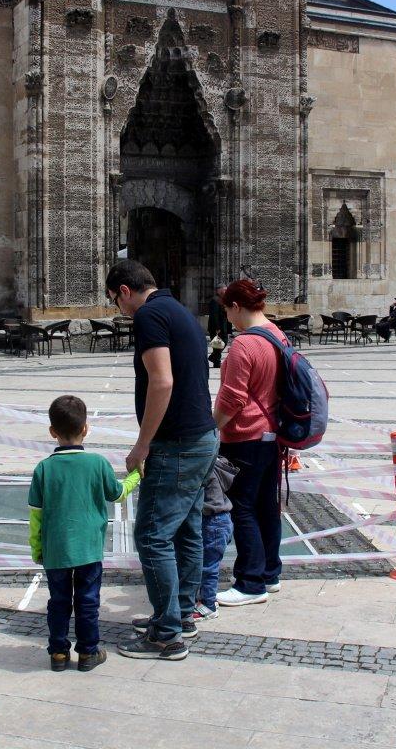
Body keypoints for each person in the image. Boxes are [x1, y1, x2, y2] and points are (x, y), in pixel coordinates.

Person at [106, 259, 218, 661]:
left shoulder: (149, 315)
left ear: (123, 291)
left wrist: (142, 443)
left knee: (152, 536)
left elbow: (163, 379)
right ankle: (182, 614)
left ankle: (167, 634)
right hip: (202, 437)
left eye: (115, 302)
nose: (120, 312)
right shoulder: (180, 311)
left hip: (176, 444)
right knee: (186, 531)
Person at [29, 395, 141, 672]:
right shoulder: (98, 463)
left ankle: (57, 653)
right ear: (86, 428)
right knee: (88, 600)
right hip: (89, 549)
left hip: (55, 549)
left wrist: (36, 548)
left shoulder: (43, 468)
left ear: (52, 432)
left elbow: (36, 515)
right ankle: (89, 652)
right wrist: (136, 475)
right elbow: (117, 494)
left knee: (58, 601)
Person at [212, 278, 288, 606]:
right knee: (266, 506)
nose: (228, 318)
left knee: (241, 508)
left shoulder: (245, 344)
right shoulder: (278, 335)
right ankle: (270, 573)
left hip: (245, 437)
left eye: (227, 311)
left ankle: (250, 582)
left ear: (237, 306)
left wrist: (212, 428)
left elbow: (232, 398)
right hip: (272, 436)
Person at [192, 456, 237, 621]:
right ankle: (205, 598)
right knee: (208, 565)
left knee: (208, 567)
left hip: (213, 522)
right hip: (222, 520)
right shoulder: (214, 461)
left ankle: (208, 605)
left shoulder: (202, 465)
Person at [206, 284, 231, 369]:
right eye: (224, 290)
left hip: (223, 326)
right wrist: (217, 328)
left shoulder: (223, 300)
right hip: (216, 327)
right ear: (219, 290)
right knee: (217, 345)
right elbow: (214, 315)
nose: (226, 291)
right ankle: (217, 362)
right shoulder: (215, 300)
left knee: (223, 342)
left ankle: (213, 357)